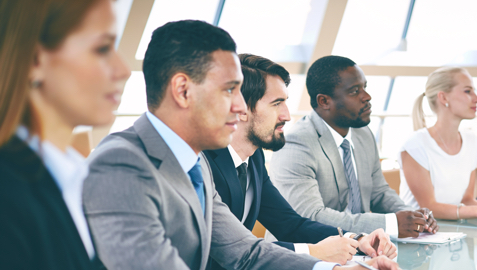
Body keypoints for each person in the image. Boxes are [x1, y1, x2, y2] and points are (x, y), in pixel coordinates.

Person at [83, 20, 399, 270]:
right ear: (182, 91)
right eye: (229, 91)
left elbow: (244, 252)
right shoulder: (121, 163)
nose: (240, 107)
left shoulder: (193, 165)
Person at [203, 54, 398, 268]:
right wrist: (313, 251)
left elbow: (289, 224)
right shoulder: (204, 164)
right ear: (240, 108)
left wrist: (356, 239)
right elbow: (236, 251)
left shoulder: (254, 157)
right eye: (276, 104)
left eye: (285, 102)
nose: (287, 115)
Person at [0, 0, 130, 268]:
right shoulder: (8, 196)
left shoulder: (69, 178)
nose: (124, 70)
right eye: (102, 48)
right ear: (36, 60)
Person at [270, 55, 438, 239]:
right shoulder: (296, 145)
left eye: (364, 87)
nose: (367, 97)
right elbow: (311, 216)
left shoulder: (363, 133)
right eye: (354, 91)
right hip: (312, 253)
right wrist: (391, 224)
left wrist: (413, 216)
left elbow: (379, 192)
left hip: (364, 247)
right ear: (324, 101)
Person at [398, 67, 477, 223]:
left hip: (455, 234)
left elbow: (466, 200)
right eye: (468, 91)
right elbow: (428, 206)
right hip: (419, 237)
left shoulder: (470, 140)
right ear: (443, 98)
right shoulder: (415, 146)